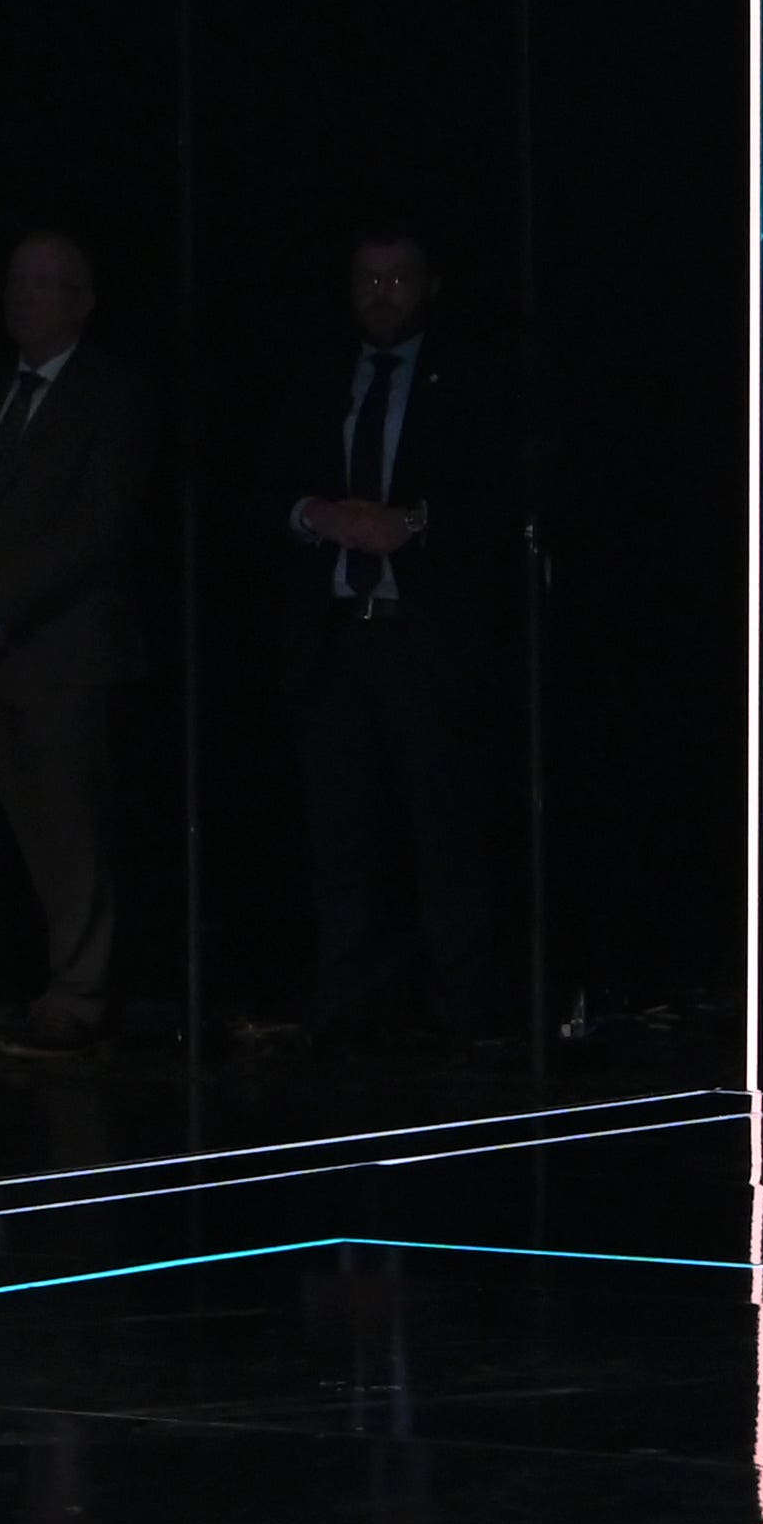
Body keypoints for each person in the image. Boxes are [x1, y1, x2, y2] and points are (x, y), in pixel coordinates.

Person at [0, 231, 145, 1058]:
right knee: (22, 827)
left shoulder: (107, 395)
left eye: (45, 285)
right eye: (17, 282)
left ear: (81, 300)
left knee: (74, 829)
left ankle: (82, 991)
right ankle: (41, 981)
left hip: (62, 653)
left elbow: (97, 524)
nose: (24, 298)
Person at [280, 227, 513, 1051]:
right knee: (339, 833)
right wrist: (318, 514)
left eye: (398, 278)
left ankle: (460, 1010)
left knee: (444, 827)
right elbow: (267, 480)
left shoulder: (469, 381)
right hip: (335, 637)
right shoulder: (318, 376)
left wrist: (412, 524)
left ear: (430, 287)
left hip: (425, 637)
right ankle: (347, 1007)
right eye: (368, 279)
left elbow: (498, 494)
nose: (382, 293)